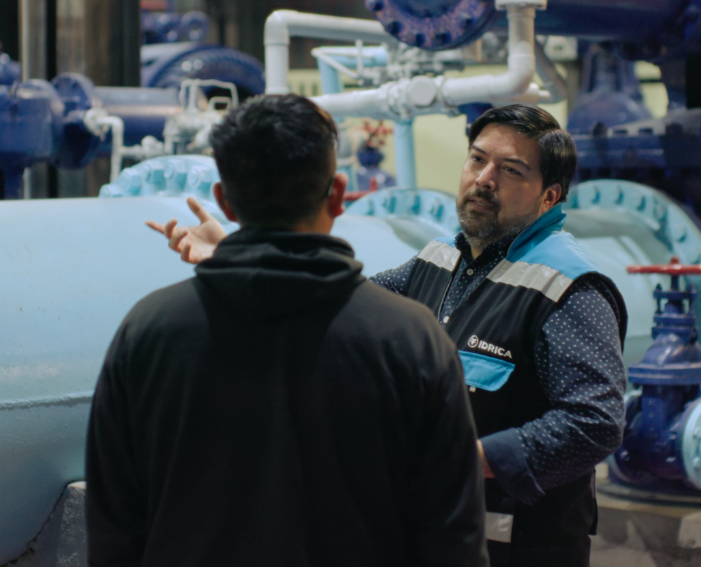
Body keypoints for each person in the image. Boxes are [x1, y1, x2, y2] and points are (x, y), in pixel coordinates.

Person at [159, 104, 627, 567]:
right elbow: (345, 309)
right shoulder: (440, 259)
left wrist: (470, 459)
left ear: (549, 197)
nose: (485, 178)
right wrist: (237, 255)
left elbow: (596, 421)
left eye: (511, 170)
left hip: (519, 547)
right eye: (477, 159)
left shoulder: (568, 287)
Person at [87, 94, 489, 567]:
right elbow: (452, 538)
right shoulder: (410, 339)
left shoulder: (148, 333)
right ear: (338, 194)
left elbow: (114, 528)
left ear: (224, 202)